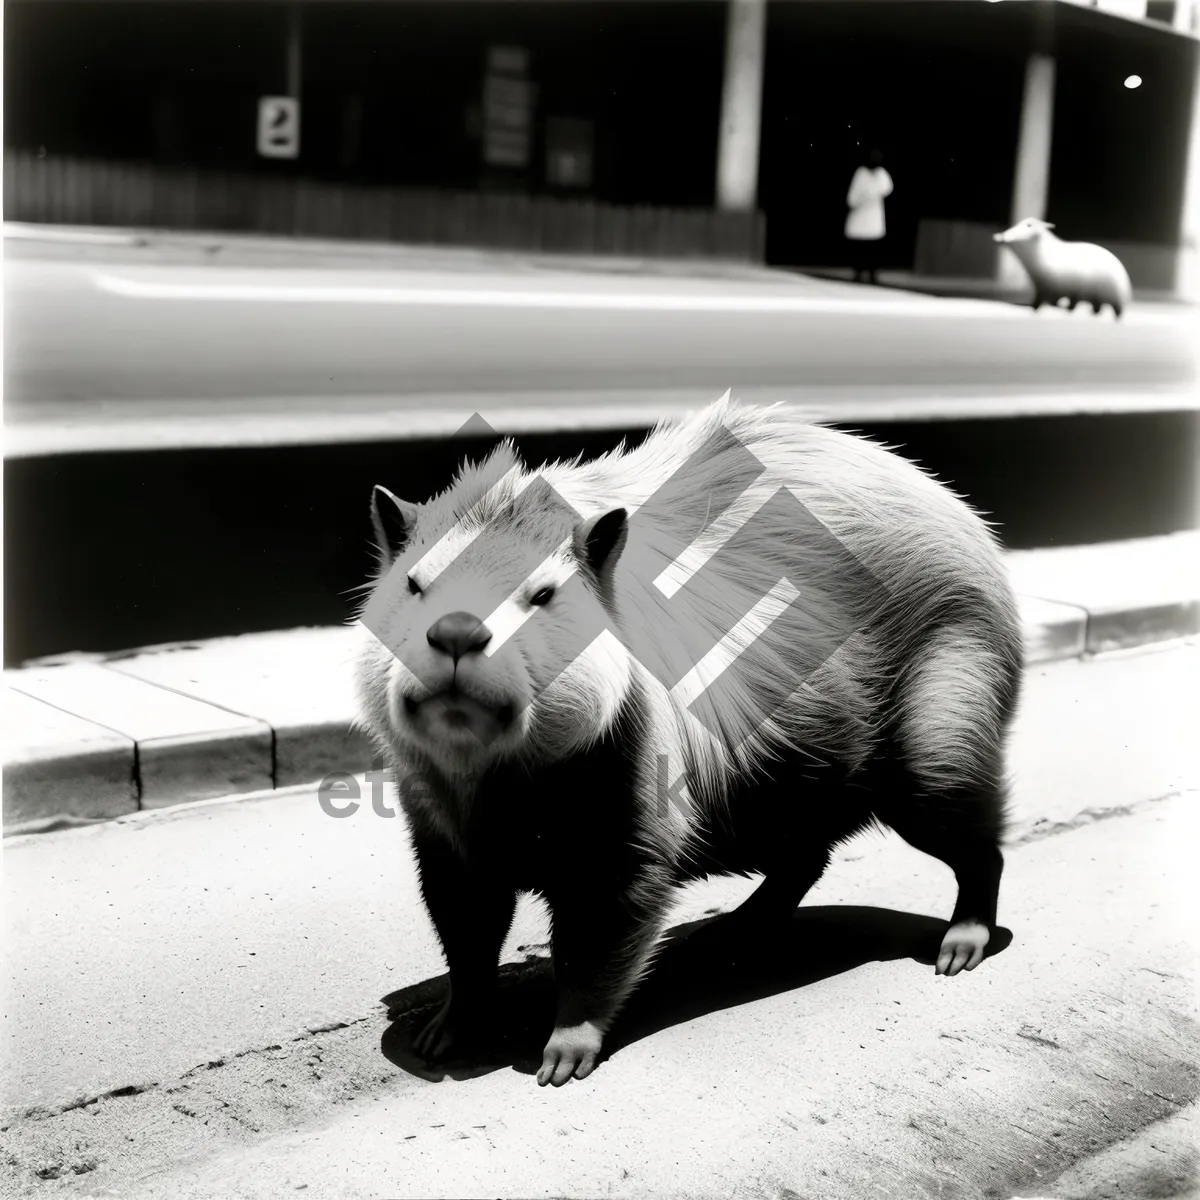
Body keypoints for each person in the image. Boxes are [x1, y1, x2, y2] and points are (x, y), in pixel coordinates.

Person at [845, 148, 893, 285]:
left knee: (873, 249)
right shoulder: (861, 173)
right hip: (860, 216)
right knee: (860, 248)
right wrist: (861, 200)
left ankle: (872, 273)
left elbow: (887, 187)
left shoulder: (881, 174)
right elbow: (852, 198)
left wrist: (872, 193)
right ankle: (858, 272)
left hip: (873, 218)